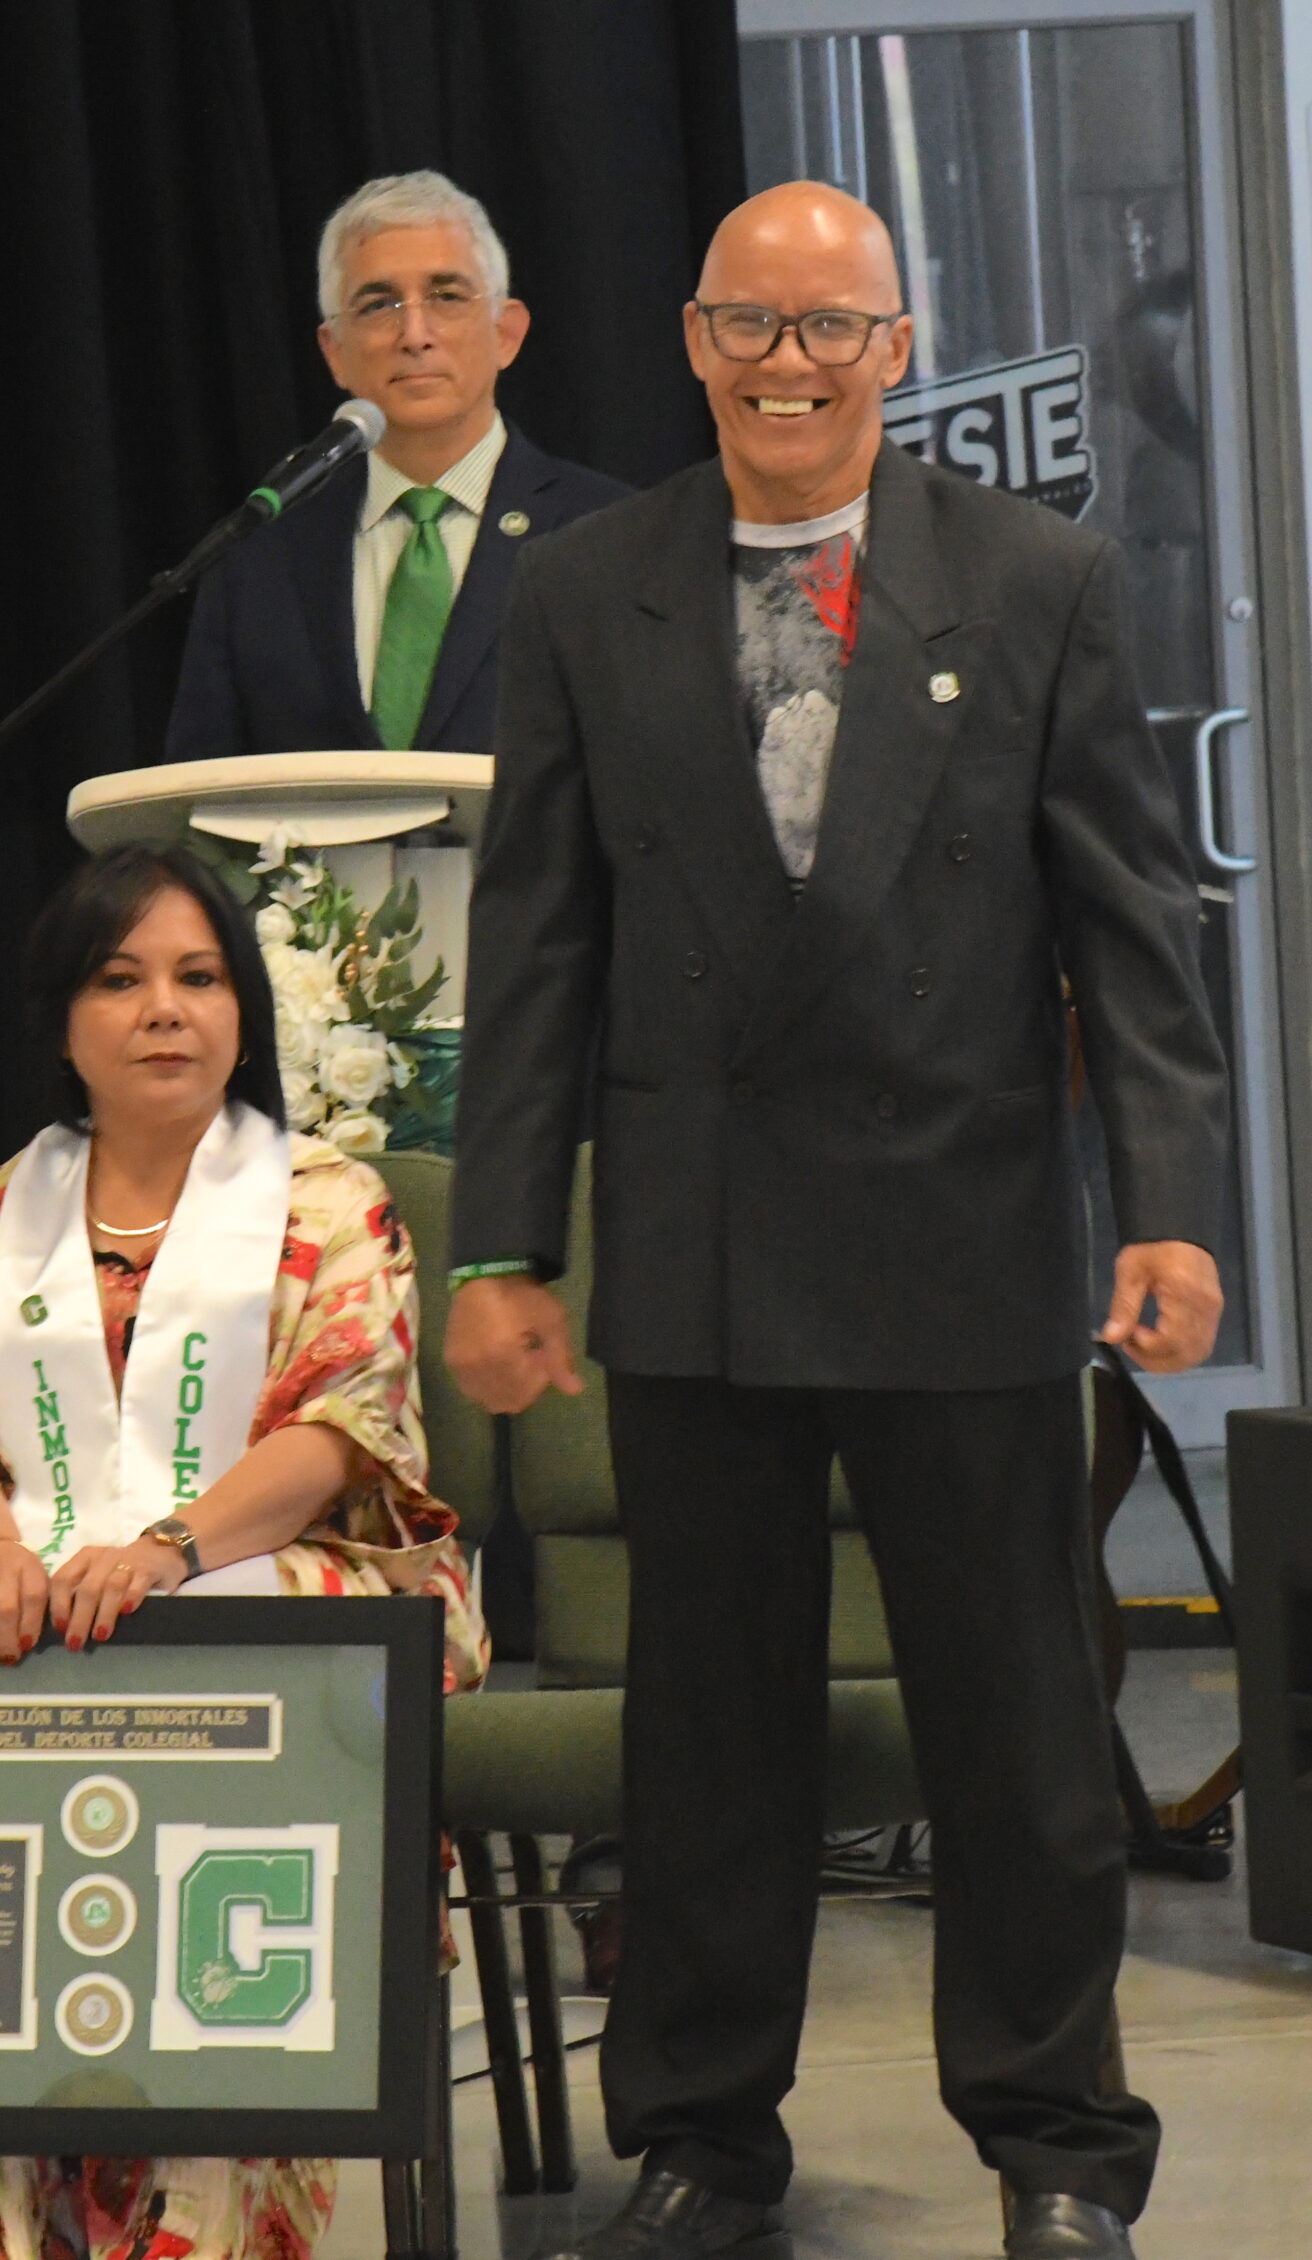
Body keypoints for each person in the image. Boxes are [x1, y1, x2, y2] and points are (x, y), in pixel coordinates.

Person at [444, 182, 1228, 2260]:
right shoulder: (583, 587)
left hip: (961, 1229)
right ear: (689, 339)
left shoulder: (1036, 577)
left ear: (896, 345)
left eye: (827, 328)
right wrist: (501, 1244)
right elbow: (534, 941)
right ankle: (702, 2140)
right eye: (746, 323)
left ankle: (1058, 2147)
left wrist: (1167, 1205)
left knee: (1019, 1730)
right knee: (708, 1736)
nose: (784, 365)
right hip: (694, 1244)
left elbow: (1128, 924)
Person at [0, 841, 486, 2260]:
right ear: (64, 1022)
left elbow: (349, 1426)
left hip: (268, 1573)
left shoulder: (328, 1204)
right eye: (120, 981)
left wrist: (170, 1548)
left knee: (253, 1672)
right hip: (24, 1592)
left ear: (243, 1009)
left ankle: (206, 2219)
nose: (164, 1010)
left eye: (198, 977)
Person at [164, 169, 626, 764]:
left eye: (447, 297)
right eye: (379, 304)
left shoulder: (612, 535)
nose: (414, 334)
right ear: (334, 352)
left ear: (507, 333)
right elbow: (201, 791)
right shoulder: (258, 553)